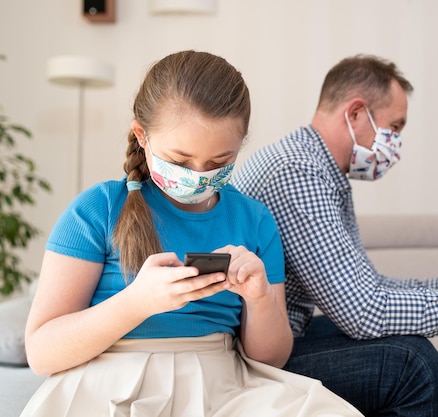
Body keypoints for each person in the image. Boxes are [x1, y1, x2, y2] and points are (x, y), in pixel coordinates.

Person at [21, 50, 363, 417]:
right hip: (109, 384)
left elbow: (272, 358)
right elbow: (42, 352)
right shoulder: (98, 209)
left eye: (219, 163)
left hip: (223, 386)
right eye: (181, 161)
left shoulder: (255, 220)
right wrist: (137, 303)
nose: (199, 175)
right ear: (142, 136)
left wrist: (260, 298)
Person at [231, 54, 438, 416]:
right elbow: (365, 311)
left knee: (406, 342)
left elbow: (369, 287)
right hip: (254, 356)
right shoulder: (297, 172)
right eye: (394, 127)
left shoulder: (317, 168)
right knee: (413, 364)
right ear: (356, 113)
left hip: (278, 339)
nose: (395, 143)